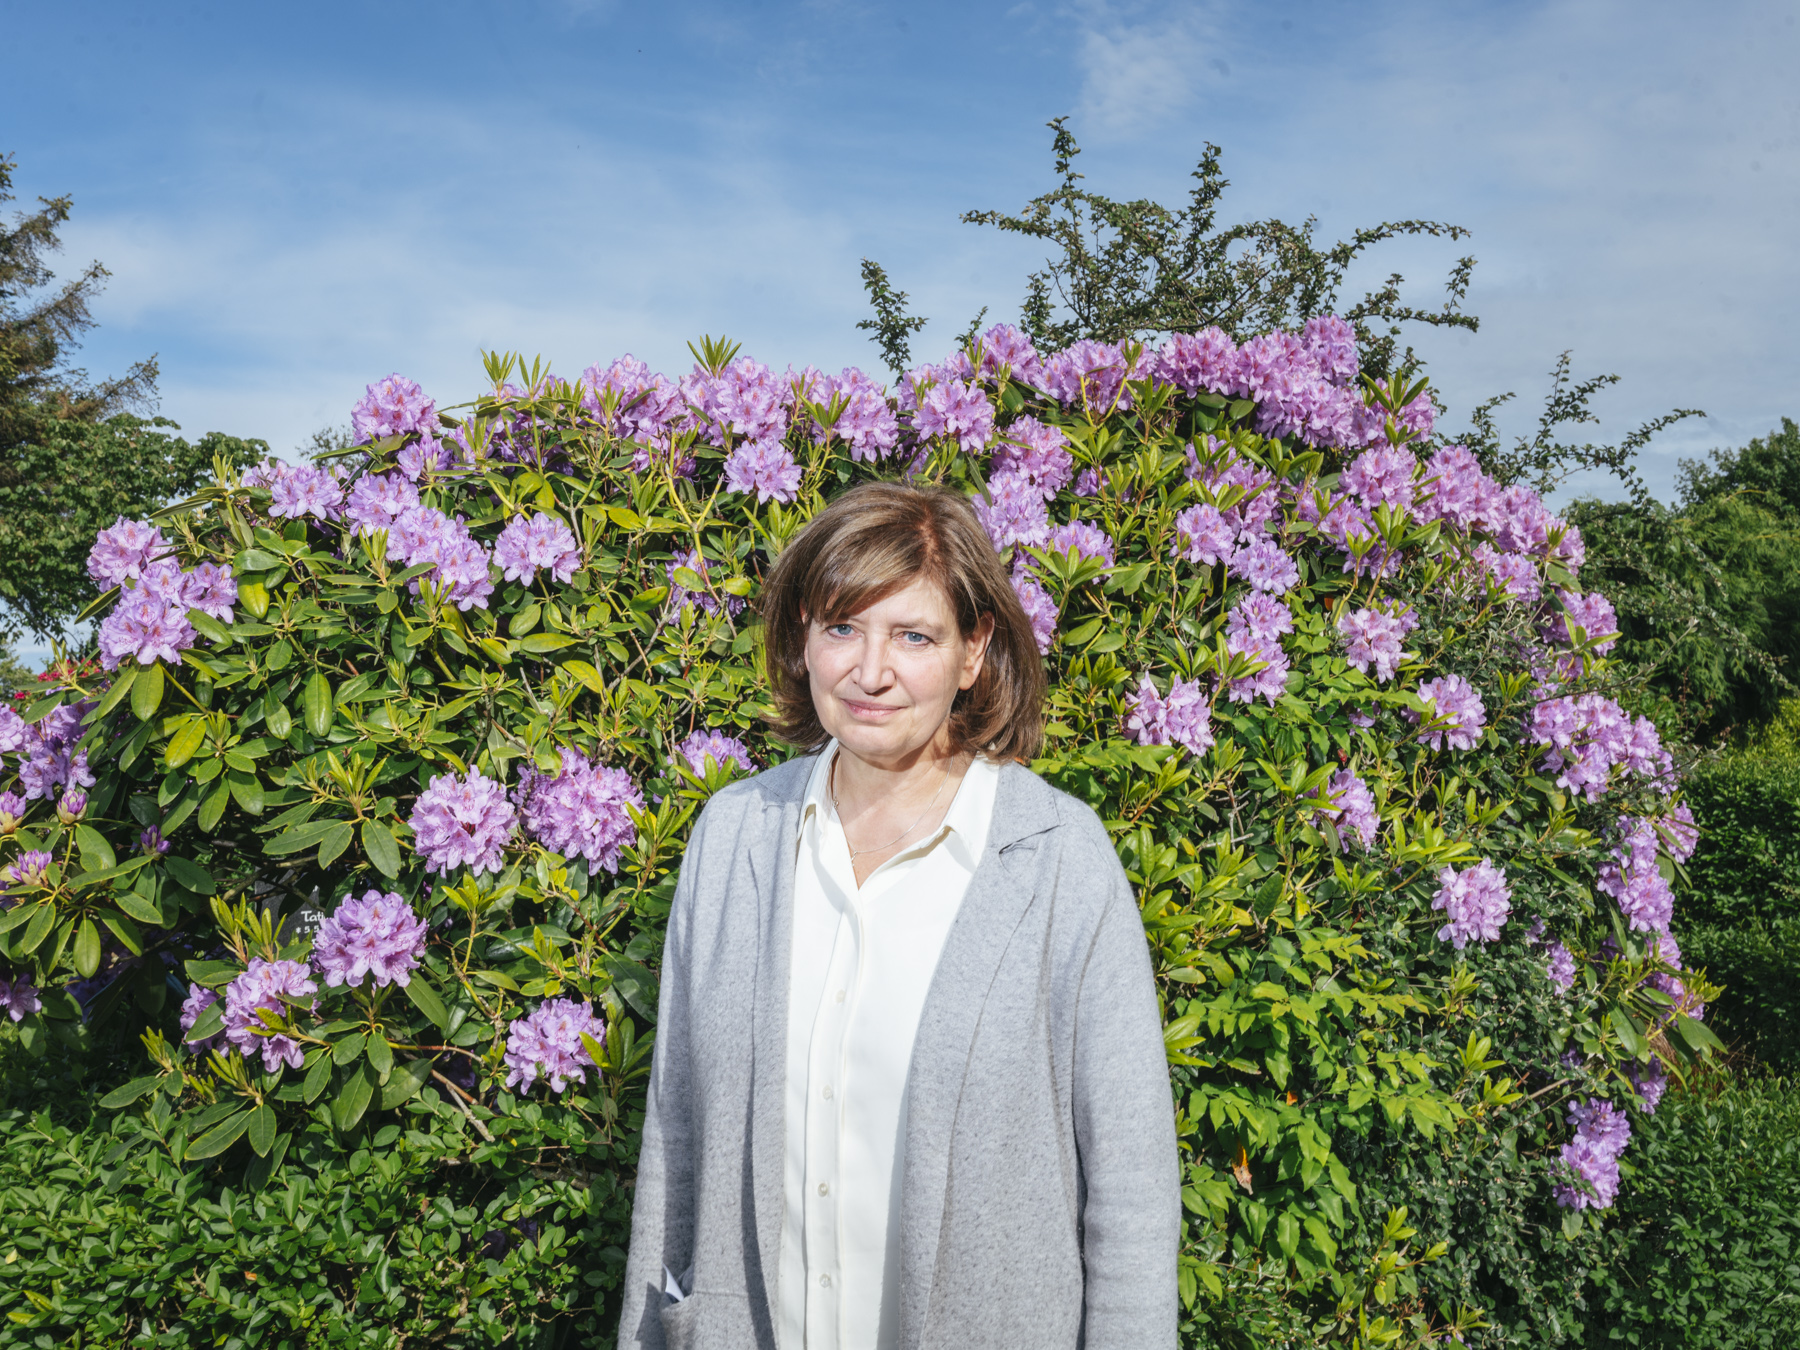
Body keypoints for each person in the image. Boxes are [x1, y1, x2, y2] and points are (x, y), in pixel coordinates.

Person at [618, 483, 1179, 1350]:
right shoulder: (734, 839)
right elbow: (675, 1139)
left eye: (914, 636)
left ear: (973, 651)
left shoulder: (1061, 863)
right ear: (803, 637)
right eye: (843, 628)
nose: (871, 671)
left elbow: (1132, 1193)